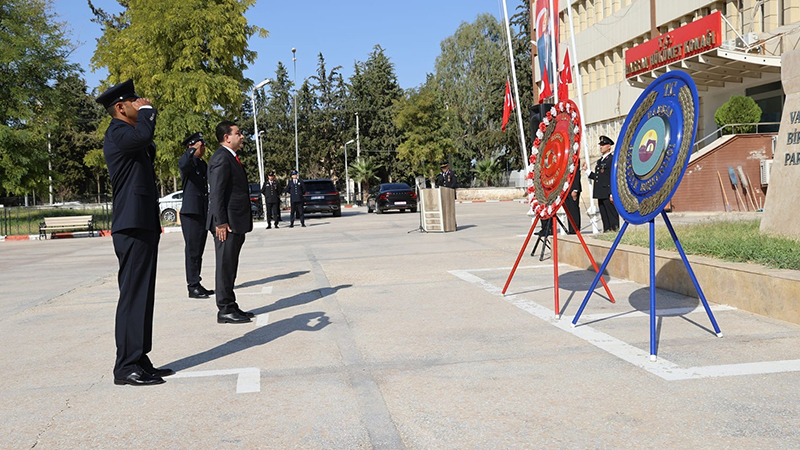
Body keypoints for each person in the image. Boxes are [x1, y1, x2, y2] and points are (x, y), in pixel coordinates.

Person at [96, 79, 172, 386]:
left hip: (142, 222)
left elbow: (146, 144)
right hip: (131, 224)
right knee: (132, 294)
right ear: (120, 107)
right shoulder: (117, 131)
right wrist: (148, 111)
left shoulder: (129, 135)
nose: (139, 104)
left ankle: (139, 357)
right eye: (134, 102)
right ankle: (126, 365)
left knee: (143, 294)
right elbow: (143, 135)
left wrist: (143, 116)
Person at [207, 121, 254, 324]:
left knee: (231, 265)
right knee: (225, 266)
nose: (241, 136)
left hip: (235, 221)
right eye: (238, 133)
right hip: (226, 224)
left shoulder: (231, 157)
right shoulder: (221, 158)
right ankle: (224, 308)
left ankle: (230, 304)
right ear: (227, 137)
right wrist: (220, 222)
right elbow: (216, 192)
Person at [178, 132, 214, 299]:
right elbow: (183, 164)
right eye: (202, 145)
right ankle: (192, 286)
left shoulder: (201, 163)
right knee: (192, 251)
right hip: (191, 212)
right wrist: (192, 149)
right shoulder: (188, 161)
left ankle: (197, 282)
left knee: (199, 251)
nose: (204, 148)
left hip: (201, 211)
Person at [584, 135, 619, 232]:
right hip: (601, 192)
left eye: (603, 145)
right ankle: (607, 231)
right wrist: (587, 171)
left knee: (611, 214)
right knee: (604, 215)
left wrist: (612, 193)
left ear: (609, 146)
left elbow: (612, 177)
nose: (601, 147)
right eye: (600, 145)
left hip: (607, 192)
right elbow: (599, 177)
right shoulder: (600, 161)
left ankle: (614, 232)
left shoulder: (611, 159)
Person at [564, 167, 582, 234]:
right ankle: (571, 229)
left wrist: (575, 189)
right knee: (569, 211)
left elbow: (576, 173)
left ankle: (575, 229)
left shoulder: (573, 157)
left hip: (573, 188)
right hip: (566, 188)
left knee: (573, 209)